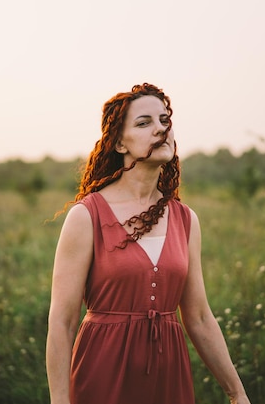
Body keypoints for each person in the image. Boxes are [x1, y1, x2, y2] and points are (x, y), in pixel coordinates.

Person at [46, 83, 251, 404]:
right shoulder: (87, 216)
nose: (160, 129)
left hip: (168, 376)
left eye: (165, 121)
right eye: (144, 123)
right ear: (118, 143)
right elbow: (63, 320)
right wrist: (59, 401)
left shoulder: (185, 219)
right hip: (103, 373)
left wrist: (237, 394)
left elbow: (197, 317)